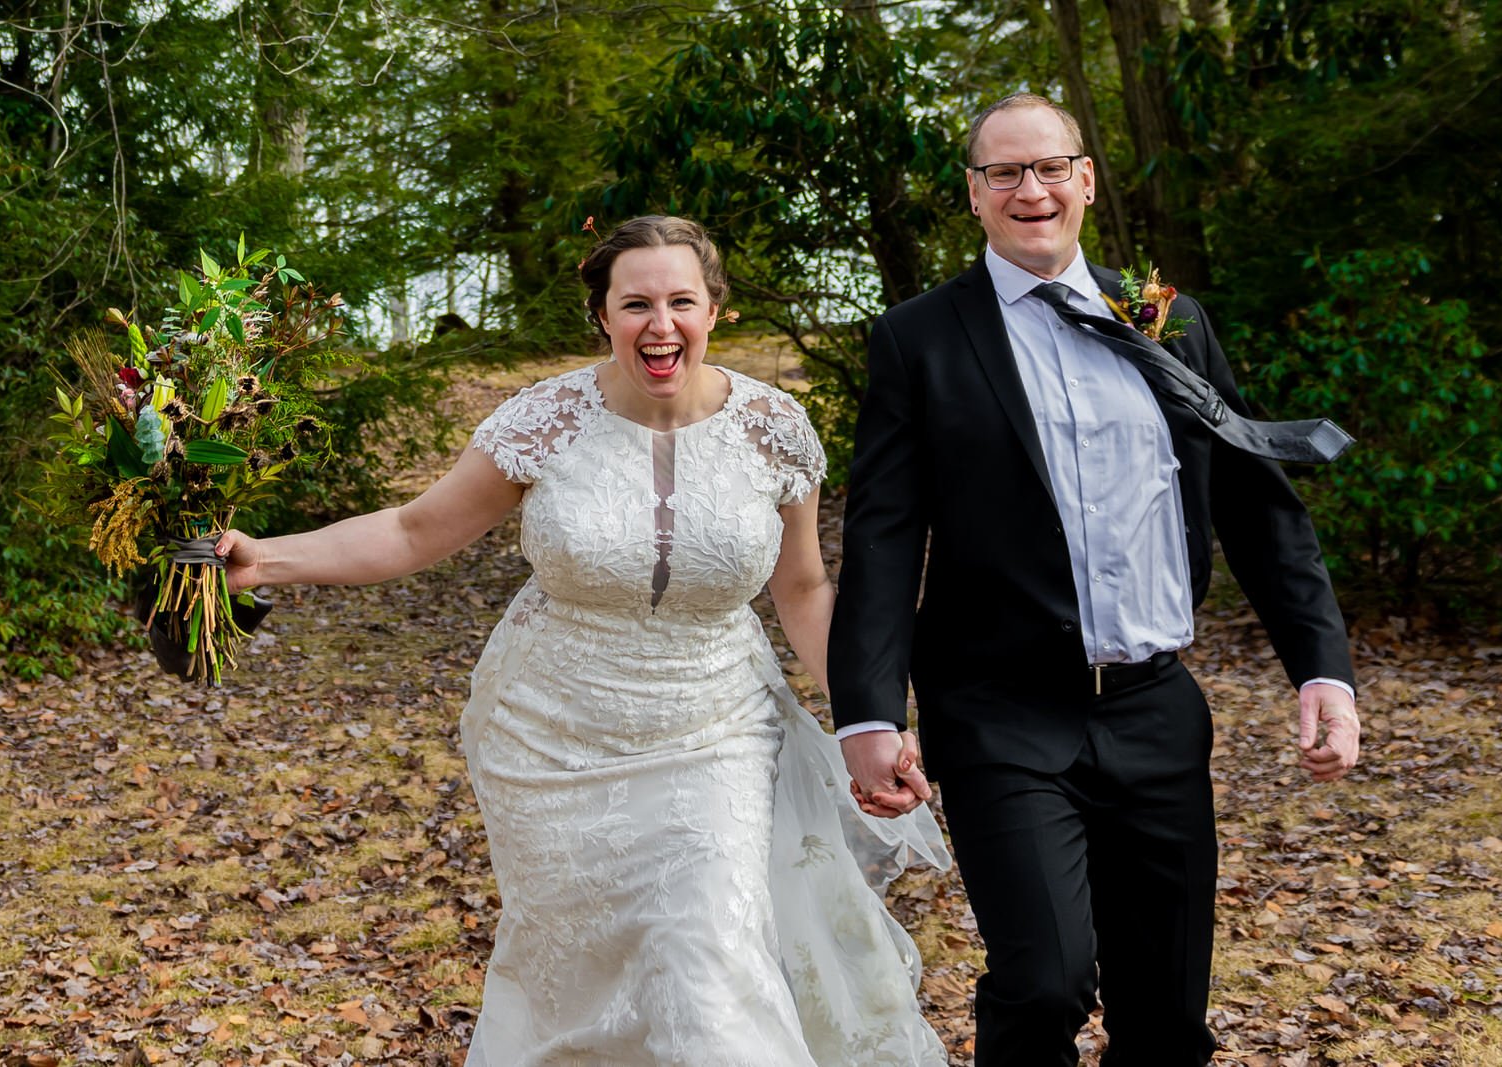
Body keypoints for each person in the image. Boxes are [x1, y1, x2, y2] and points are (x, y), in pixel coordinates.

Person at [214, 216, 950, 1066]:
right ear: (602, 315)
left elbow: (803, 588)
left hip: (716, 728)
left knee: (708, 959)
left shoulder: (773, 430)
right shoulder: (545, 421)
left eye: (681, 301)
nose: (660, 324)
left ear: (717, 311)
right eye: (635, 303)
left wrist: (870, 719)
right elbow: (416, 531)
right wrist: (266, 558)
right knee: (583, 987)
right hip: (550, 738)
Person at [827, 94, 1361, 1066]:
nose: (1029, 189)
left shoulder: (1167, 319)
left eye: (1048, 167)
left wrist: (1322, 669)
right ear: (974, 195)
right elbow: (884, 538)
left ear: (1084, 179)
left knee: (1164, 1019)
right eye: (1003, 172)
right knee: (1044, 980)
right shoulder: (921, 338)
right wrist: (867, 713)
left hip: (1156, 708)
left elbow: (1257, 503)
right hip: (999, 713)